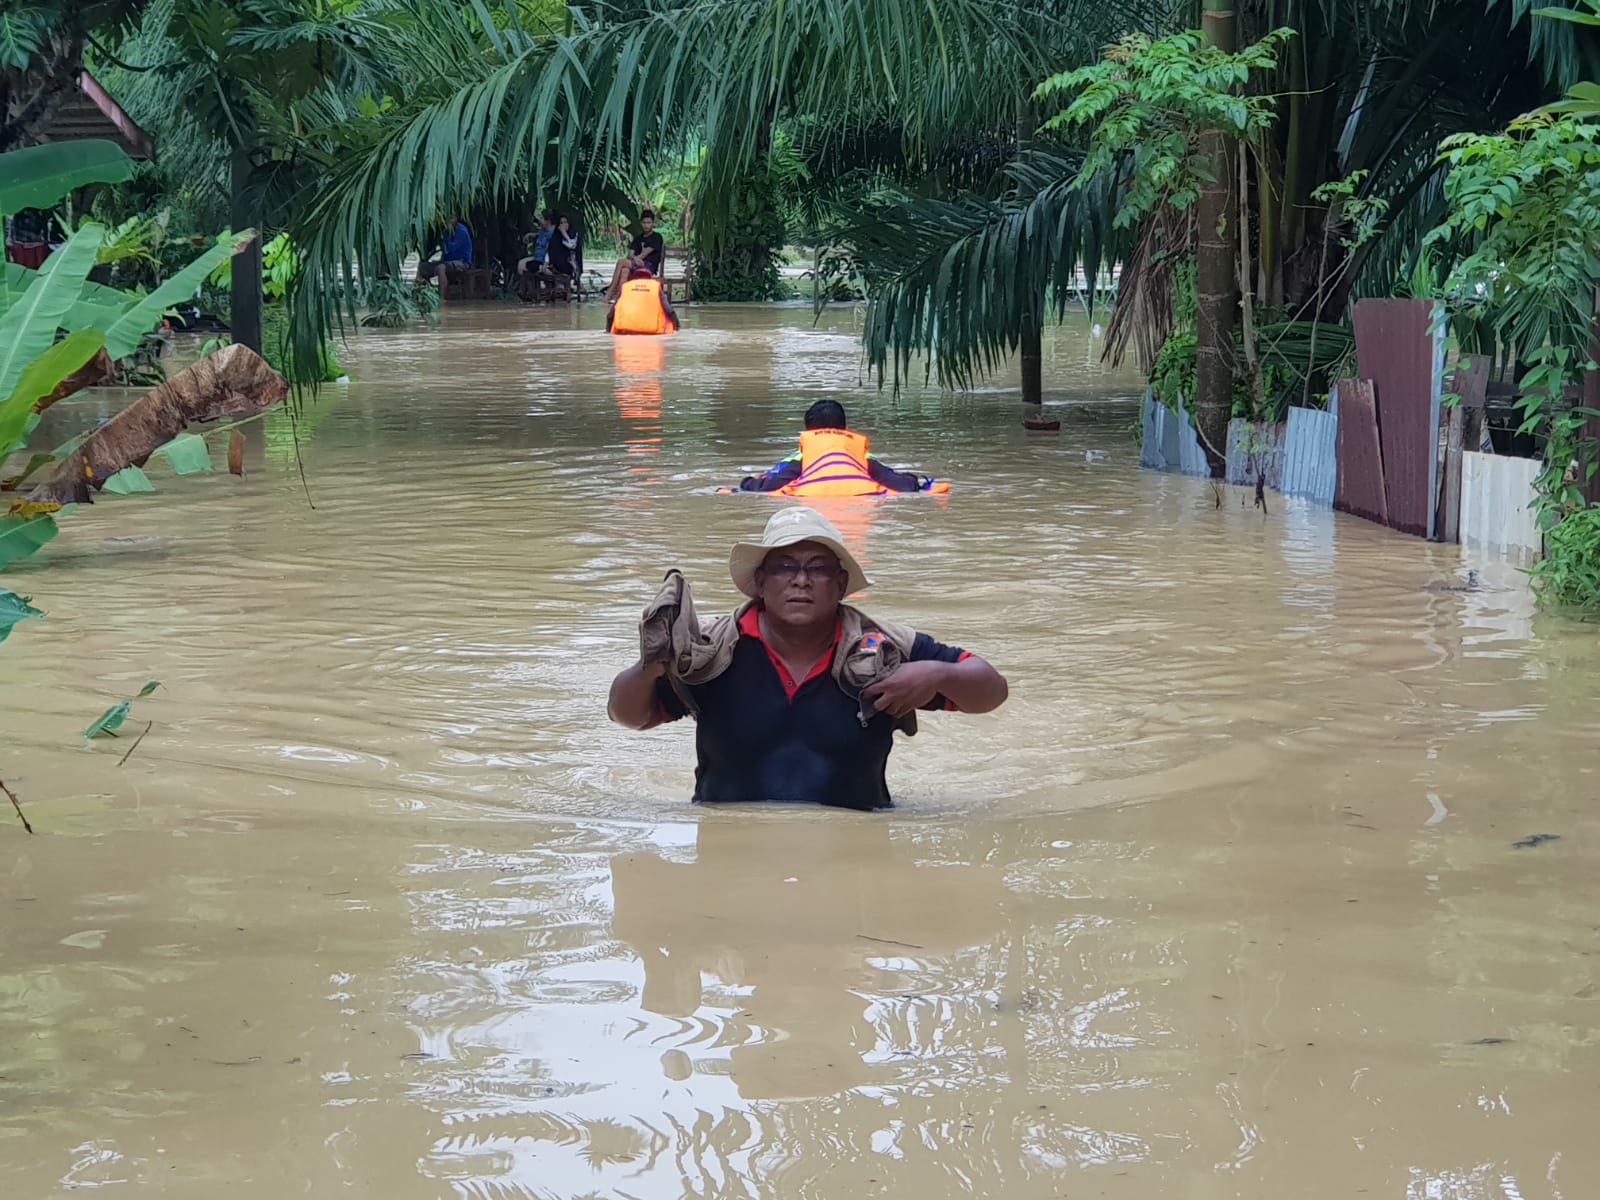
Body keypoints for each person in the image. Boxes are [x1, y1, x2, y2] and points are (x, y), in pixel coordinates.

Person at [607, 507, 1008, 809]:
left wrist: (936, 674)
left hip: (856, 864)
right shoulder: (712, 651)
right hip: (732, 861)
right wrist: (650, 667)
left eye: (818, 569)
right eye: (785, 567)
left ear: (841, 584)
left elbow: (991, 691)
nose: (801, 580)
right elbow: (629, 716)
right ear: (760, 583)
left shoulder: (885, 650)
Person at [739, 400, 935, 494]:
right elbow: (903, 485)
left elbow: (768, 486)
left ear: (807, 434)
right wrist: (911, 479)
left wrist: (747, 482)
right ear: (846, 430)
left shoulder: (801, 458)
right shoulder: (862, 458)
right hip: (861, 503)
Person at [604, 208, 666, 302]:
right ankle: (621, 298)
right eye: (644, 222)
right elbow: (630, 254)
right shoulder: (638, 238)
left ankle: (611, 289)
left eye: (649, 222)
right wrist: (635, 258)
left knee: (621, 262)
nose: (646, 225)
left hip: (649, 266)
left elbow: (646, 253)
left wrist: (636, 258)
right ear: (641, 223)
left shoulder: (656, 237)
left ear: (653, 224)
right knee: (624, 270)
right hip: (636, 263)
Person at [607, 267, 680, 334]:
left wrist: (608, 331)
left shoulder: (626, 286)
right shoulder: (655, 286)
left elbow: (610, 314)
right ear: (650, 278)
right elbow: (669, 310)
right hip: (651, 331)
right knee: (669, 323)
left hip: (625, 330)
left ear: (634, 279)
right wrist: (677, 327)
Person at [415, 215, 473, 285]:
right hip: (446, 262)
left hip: (462, 262)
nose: (448, 222)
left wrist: (443, 239)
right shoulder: (446, 231)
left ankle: (443, 295)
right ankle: (426, 287)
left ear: (456, 219)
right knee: (423, 267)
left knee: (441, 268)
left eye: (451, 219)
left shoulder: (462, 232)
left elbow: (451, 249)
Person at [539, 214, 581, 298]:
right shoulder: (556, 236)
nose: (563, 225)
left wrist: (564, 233)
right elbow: (550, 250)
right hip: (556, 264)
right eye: (561, 223)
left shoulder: (574, 234)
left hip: (571, 265)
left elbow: (571, 245)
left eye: (565, 222)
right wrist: (545, 263)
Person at [515, 211, 555, 300]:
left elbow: (551, 248)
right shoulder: (542, 231)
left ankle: (532, 290)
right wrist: (531, 235)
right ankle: (530, 289)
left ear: (547, 221)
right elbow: (539, 235)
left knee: (529, 266)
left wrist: (546, 262)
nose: (539, 220)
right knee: (520, 264)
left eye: (541, 218)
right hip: (537, 257)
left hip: (545, 259)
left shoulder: (553, 233)